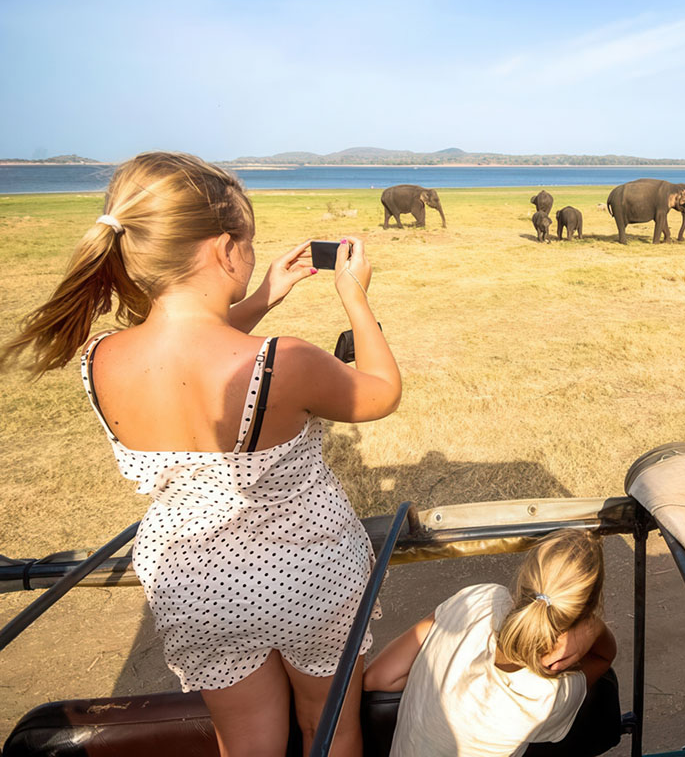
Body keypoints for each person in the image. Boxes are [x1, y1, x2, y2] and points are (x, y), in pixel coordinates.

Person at [2, 152, 403, 757]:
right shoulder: (283, 361)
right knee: (330, 728)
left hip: (192, 583)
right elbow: (380, 393)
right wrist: (356, 298)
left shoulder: (101, 357)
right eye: (248, 243)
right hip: (309, 574)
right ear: (224, 250)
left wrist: (267, 291)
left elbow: (194, 346)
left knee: (245, 743)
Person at [364, 529, 618, 757]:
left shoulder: (480, 601)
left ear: (527, 576)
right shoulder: (547, 696)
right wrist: (593, 629)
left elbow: (378, 677)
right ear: (586, 609)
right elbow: (605, 658)